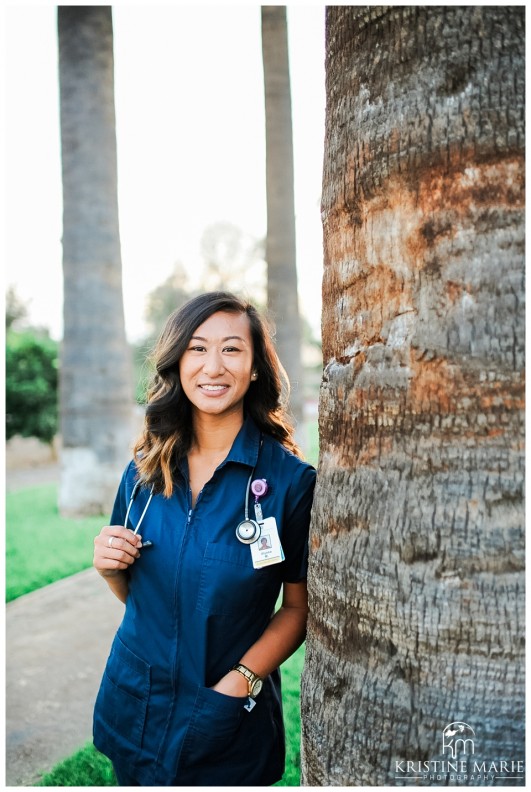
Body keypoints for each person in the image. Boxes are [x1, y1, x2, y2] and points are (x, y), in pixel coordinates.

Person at [92, 292, 316, 786]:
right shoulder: (145, 470)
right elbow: (144, 596)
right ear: (178, 362)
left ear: (256, 368)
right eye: (197, 348)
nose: (213, 366)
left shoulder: (290, 483)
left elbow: (298, 609)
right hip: (136, 699)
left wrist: (240, 683)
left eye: (232, 349)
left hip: (225, 713)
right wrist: (110, 569)